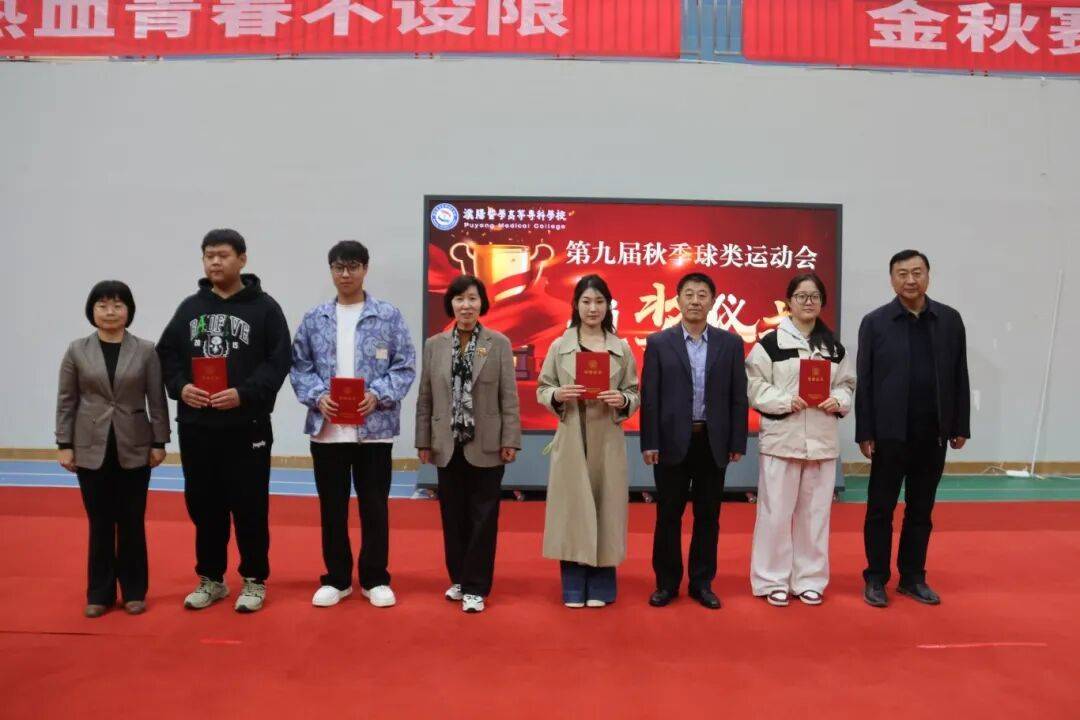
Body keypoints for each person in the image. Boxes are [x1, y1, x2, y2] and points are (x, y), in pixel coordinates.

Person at [157, 229, 291, 613]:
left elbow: (279, 361)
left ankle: (254, 579)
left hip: (247, 427)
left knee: (250, 506)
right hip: (198, 427)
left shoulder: (265, 309)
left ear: (242, 260)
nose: (215, 262)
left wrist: (244, 393)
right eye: (209, 256)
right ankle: (211, 579)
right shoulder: (189, 308)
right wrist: (181, 388)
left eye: (223, 255)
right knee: (204, 507)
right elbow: (167, 356)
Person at [290, 240, 416, 609]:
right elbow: (299, 367)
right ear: (331, 271)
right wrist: (318, 397)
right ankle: (337, 578)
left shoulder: (388, 316)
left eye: (353, 267)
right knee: (332, 509)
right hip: (327, 431)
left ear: (365, 269)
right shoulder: (315, 319)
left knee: (374, 508)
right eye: (339, 267)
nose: (346, 274)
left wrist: (377, 394)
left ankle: (375, 578)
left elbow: (404, 365)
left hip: (374, 431)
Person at [857, 250, 970, 608]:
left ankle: (912, 577)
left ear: (928, 276)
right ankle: (876, 578)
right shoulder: (875, 322)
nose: (910, 280)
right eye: (902, 273)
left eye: (917, 272)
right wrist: (865, 431)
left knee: (921, 510)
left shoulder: (949, 320)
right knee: (880, 509)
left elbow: (960, 375)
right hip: (889, 434)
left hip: (933, 433)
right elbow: (866, 381)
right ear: (892, 279)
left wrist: (960, 424)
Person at [56, 281, 170, 618]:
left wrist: (159, 441)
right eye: (103, 305)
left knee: (132, 521)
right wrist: (64, 444)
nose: (110, 312)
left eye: (118, 305)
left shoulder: (146, 350)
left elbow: (156, 400)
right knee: (100, 522)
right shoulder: (77, 350)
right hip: (90, 446)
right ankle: (99, 593)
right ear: (92, 311)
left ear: (129, 311)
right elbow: (66, 400)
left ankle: (134, 591)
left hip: (135, 445)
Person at [745, 273, 855, 607]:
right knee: (775, 514)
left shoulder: (833, 348)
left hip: (821, 442)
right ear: (789, 302)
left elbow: (847, 385)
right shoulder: (770, 344)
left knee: (815, 516)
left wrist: (839, 400)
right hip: (782, 440)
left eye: (814, 296)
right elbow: (754, 385)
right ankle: (771, 580)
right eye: (801, 296)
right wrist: (784, 400)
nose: (808, 302)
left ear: (822, 302)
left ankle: (809, 579)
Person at [640, 272, 748, 610]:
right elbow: (650, 397)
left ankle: (702, 583)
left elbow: (738, 397)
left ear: (712, 301)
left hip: (712, 443)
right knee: (668, 516)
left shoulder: (730, 344)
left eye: (702, 295)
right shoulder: (659, 343)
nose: (696, 301)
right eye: (689, 294)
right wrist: (649, 442)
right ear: (678, 300)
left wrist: (737, 441)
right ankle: (666, 583)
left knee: (708, 517)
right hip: (670, 442)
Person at [415, 275, 522, 614]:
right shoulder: (435, 345)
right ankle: (459, 579)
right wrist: (423, 440)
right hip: (447, 444)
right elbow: (426, 396)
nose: (466, 305)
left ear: (482, 303)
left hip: (487, 443)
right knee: (453, 516)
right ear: (451, 304)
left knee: (483, 517)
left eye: (472, 299)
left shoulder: (497, 343)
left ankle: (477, 587)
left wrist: (511, 439)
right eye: (459, 299)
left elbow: (509, 397)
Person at [537, 275, 640, 608]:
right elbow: (543, 388)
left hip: (607, 438)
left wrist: (622, 400)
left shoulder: (621, 348)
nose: (593, 308)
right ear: (576, 305)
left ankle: (601, 583)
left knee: (606, 507)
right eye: (586, 301)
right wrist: (557, 394)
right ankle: (572, 583)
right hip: (571, 436)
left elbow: (634, 392)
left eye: (599, 301)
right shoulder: (560, 346)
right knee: (571, 509)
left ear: (608, 305)